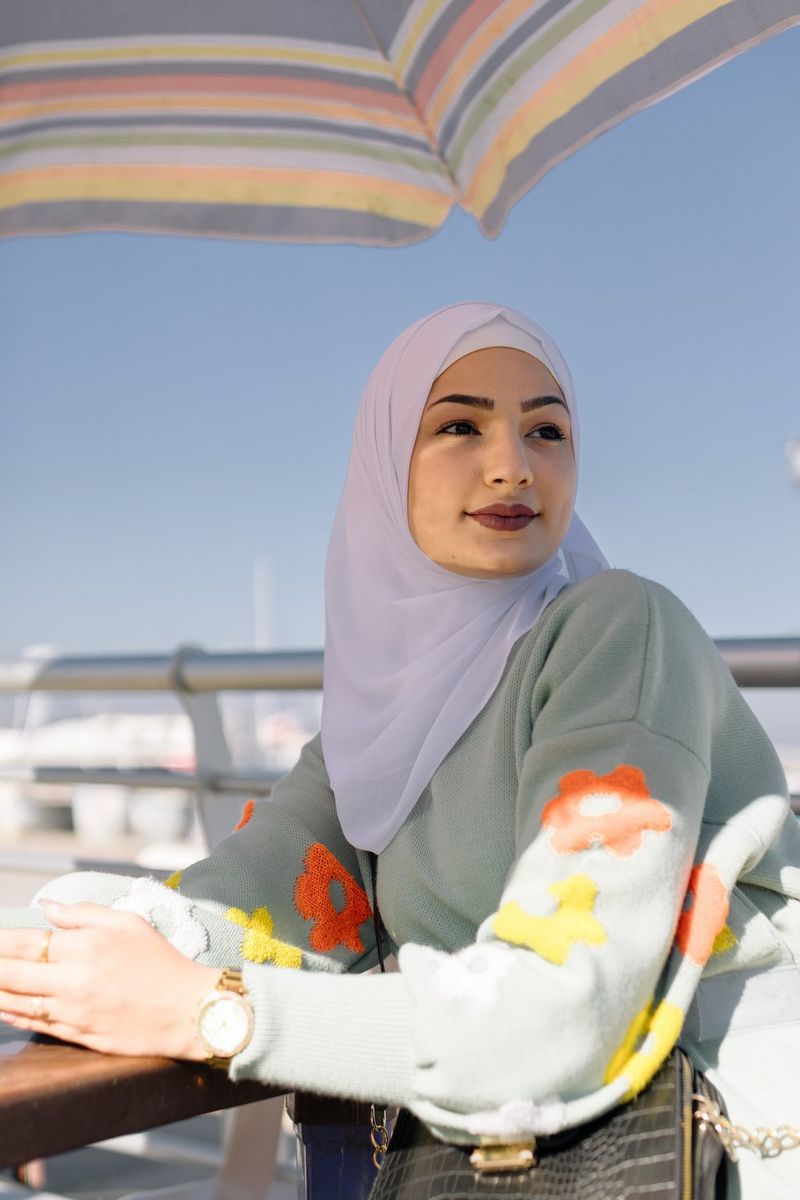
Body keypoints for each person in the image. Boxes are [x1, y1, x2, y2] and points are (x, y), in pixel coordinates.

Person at [1, 302, 799, 1199]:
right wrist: (38, 944)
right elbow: (245, 907)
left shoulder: (618, 634)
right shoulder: (378, 728)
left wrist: (210, 1013)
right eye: (459, 425)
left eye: (548, 430)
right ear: (383, 466)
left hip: (711, 1147)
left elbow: (560, 1010)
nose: (512, 466)